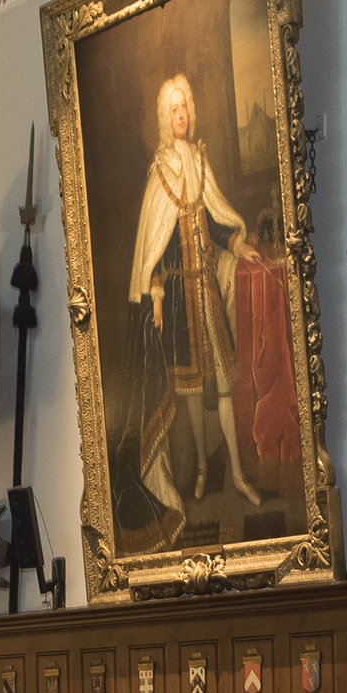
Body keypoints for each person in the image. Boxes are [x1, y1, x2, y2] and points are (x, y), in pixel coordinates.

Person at [126, 73, 268, 543]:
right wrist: (159, 293)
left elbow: (210, 220)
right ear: (165, 119)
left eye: (185, 105)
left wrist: (235, 241)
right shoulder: (161, 169)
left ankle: (238, 476)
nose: (181, 114)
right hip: (180, 298)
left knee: (225, 385)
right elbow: (157, 243)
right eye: (173, 109)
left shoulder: (199, 159)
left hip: (206, 290)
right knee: (189, 392)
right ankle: (204, 468)